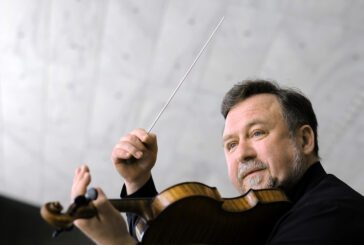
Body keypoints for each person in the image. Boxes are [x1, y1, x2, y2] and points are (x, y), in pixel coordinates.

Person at [72, 79, 364, 244]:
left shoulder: (333, 211)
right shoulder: (265, 216)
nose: (242, 154)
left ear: (305, 140)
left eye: (257, 133)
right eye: (231, 144)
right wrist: (137, 181)